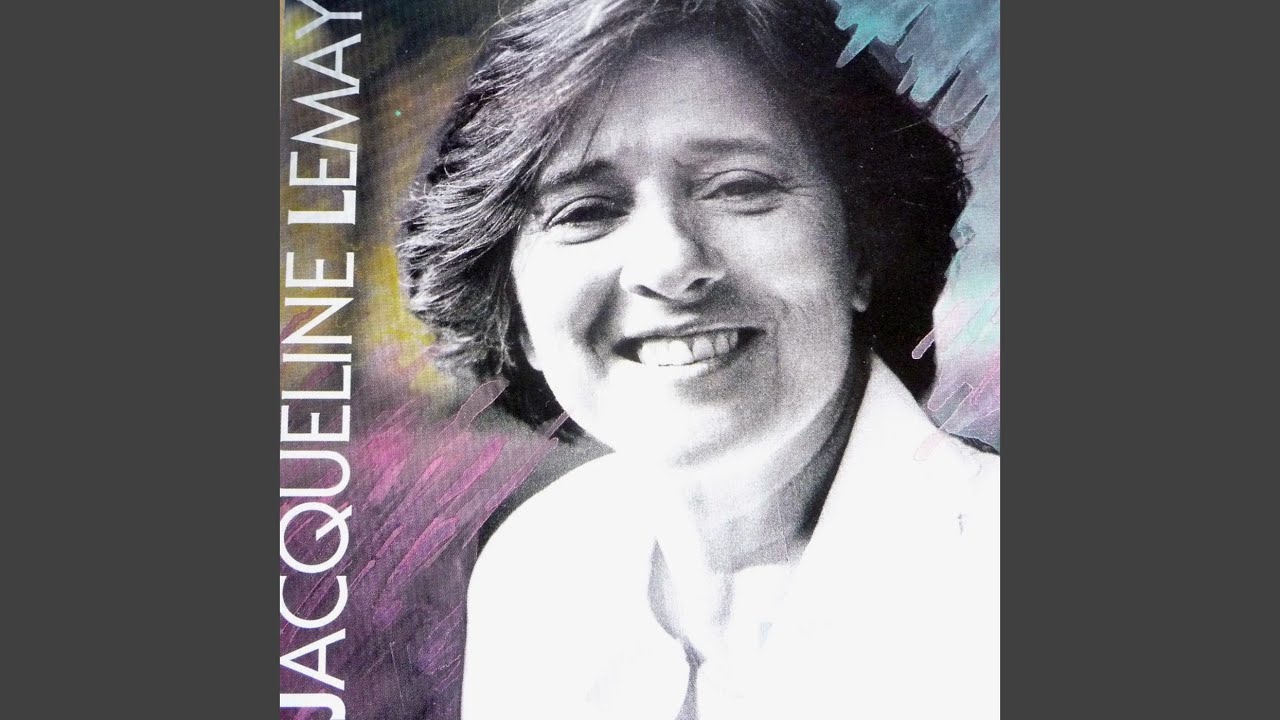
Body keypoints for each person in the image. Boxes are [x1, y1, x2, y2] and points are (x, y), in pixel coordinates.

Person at [398, 0, 999, 717]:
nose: (671, 264)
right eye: (585, 210)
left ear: (863, 249)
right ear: (514, 307)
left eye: (740, 187)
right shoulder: (536, 568)